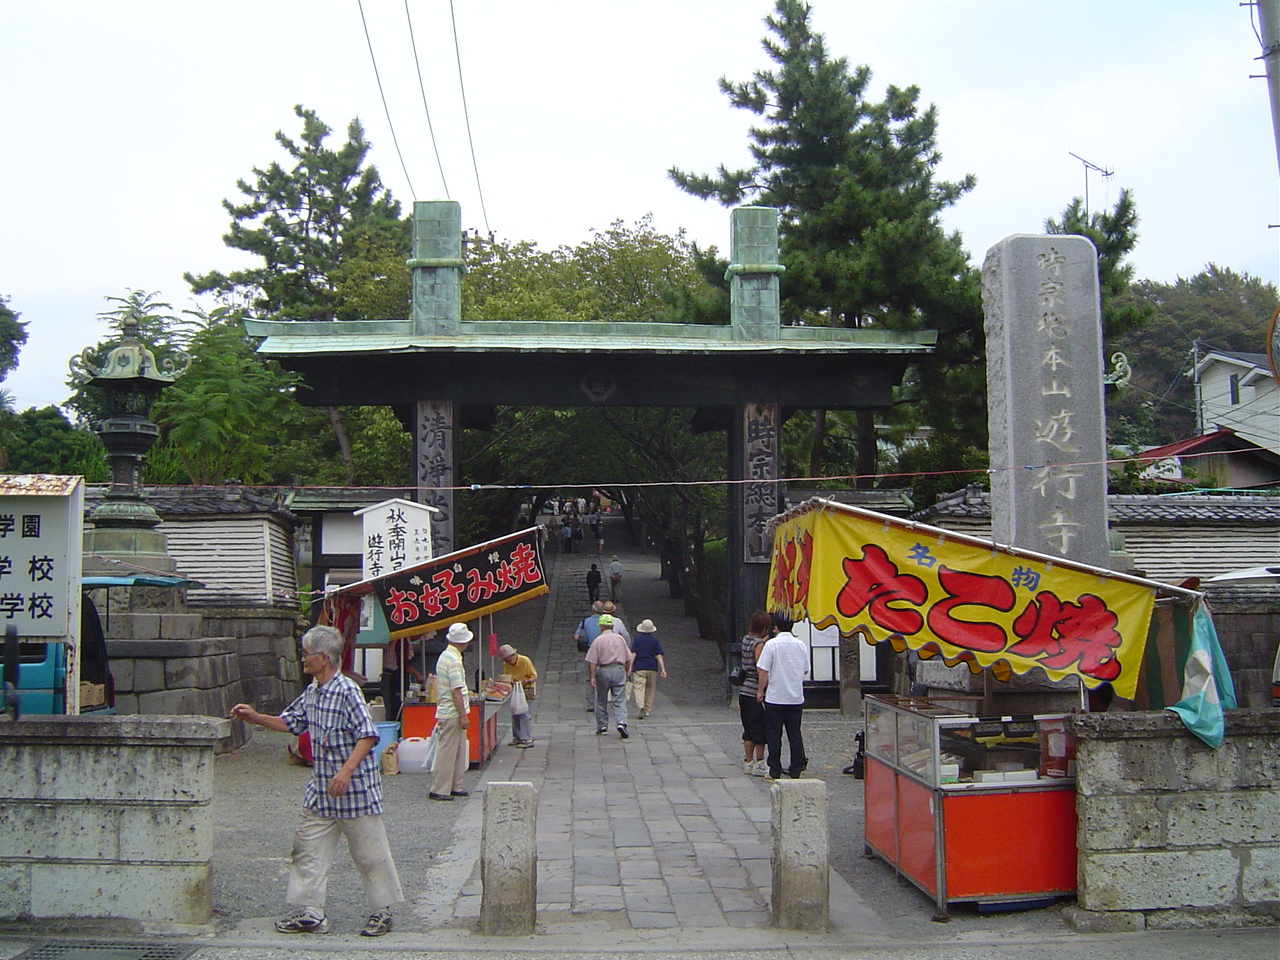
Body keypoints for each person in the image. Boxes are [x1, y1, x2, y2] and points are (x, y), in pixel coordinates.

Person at [230, 625, 403, 938]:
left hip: (355, 790)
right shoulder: (313, 691)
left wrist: (346, 771)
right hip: (320, 792)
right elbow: (291, 722)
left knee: (370, 854)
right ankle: (311, 913)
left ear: (323, 658)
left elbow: (368, 735)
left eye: (306, 653)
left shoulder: (347, 691)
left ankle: (383, 911)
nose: (302, 658)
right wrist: (255, 717)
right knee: (308, 850)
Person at [756, 612, 809, 781]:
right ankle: (796, 768)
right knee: (794, 733)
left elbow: (763, 671)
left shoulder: (772, 645)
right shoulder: (801, 645)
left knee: (774, 734)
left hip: (776, 696)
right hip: (795, 696)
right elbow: (805, 669)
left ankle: (774, 770)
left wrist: (760, 691)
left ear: (776, 626)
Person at [430, 622, 474, 802]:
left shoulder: (445, 655)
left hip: (448, 710)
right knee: (447, 752)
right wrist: (463, 715)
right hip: (452, 712)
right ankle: (440, 788)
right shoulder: (454, 661)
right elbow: (456, 690)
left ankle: (455, 785)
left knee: (457, 751)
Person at [584, 613, 634, 738]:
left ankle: (602, 726)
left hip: (603, 670)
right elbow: (628, 657)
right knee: (620, 699)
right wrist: (627, 671)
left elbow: (592, 661)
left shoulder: (598, 640)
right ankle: (621, 722)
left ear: (601, 626)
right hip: (618, 669)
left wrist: (592, 677)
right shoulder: (620, 639)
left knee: (601, 699)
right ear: (612, 626)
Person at [737, 610, 772, 776]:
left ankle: (748, 761)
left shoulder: (746, 639)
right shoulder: (759, 645)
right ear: (764, 627)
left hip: (744, 690)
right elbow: (760, 668)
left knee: (748, 728)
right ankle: (760, 762)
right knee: (759, 727)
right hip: (753, 689)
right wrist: (762, 690)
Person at [498, 642, 537, 747]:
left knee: (524, 713)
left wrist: (526, 681)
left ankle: (526, 739)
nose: (508, 662)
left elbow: (534, 676)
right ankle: (517, 736)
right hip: (516, 689)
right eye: (505, 661)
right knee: (515, 713)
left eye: (509, 660)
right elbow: (508, 676)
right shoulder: (506, 663)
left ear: (513, 655)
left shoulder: (525, 661)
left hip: (527, 689)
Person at [381, 634, 425, 722]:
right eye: (419, 635)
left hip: (393, 674)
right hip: (394, 676)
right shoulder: (402, 641)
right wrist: (417, 674)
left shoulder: (402, 641)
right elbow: (403, 663)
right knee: (395, 706)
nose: (419, 637)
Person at [630, 619, 666, 720]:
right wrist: (663, 669)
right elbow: (659, 655)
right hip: (652, 667)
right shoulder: (655, 641)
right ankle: (647, 709)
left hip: (639, 666)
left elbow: (633, 654)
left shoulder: (637, 640)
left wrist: (629, 666)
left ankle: (641, 705)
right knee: (650, 688)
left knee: (638, 687)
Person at [574, 601, 606, 711]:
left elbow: (576, 636)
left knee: (589, 678)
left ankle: (590, 703)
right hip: (603, 652)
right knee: (603, 678)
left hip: (589, 651)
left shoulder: (585, 622)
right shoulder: (605, 622)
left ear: (592, 610)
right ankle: (602, 701)